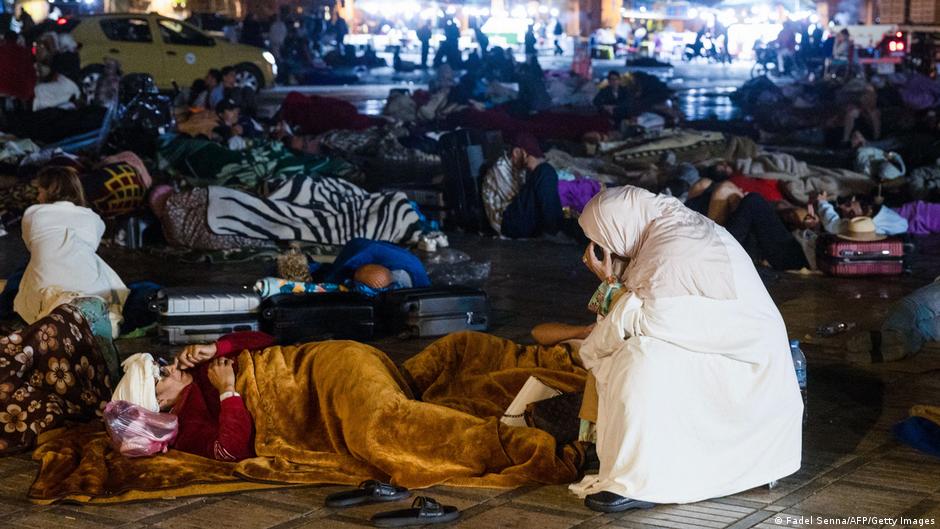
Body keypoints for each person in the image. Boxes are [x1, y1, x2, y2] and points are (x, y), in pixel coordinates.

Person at [568, 186, 803, 511]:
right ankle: (627, 459)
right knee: (630, 350)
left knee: (640, 359)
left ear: (620, 226)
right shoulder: (662, 231)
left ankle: (639, 479)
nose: (599, 248)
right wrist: (610, 282)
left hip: (746, 363)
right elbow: (629, 310)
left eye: (602, 238)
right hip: (726, 349)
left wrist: (609, 288)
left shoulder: (673, 244)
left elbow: (652, 316)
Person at [14, 166, 129, 334]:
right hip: (93, 294)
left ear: (50, 191)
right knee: (91, 259)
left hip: (43, 298)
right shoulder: (94, 218)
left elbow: (32, 246)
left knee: (33, 262)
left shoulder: (33, 214)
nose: (38, 197)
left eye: (40, 191)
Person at [481, 134, 564, 239]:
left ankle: (557, 228)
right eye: (530, 156)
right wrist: (535, 169)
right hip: (507, 225)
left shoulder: (521, 168)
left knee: (545, 172)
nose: (533, 160)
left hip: (518, 219)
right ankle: (554, 231)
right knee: (544, 171)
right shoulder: (499, 169)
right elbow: (518, 201)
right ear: (516, 152)